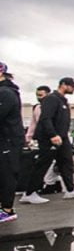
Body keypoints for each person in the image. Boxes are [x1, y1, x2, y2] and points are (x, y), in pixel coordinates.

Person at [22, 77, 74, 203]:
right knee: (43, 163)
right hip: (50, 138)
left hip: (62, 137)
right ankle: (29, 193)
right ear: (63, 85)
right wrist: (52, 135)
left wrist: (61, 136)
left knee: (66, 162)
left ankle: (71, 190)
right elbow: (46, 118)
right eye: (72, 86)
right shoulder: (51, 99)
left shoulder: (62, 101)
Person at [0, 62, 24, 224]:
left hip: (9, 140)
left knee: (6, 174)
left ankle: (7, 210)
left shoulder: (6, 92)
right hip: (4, 139)